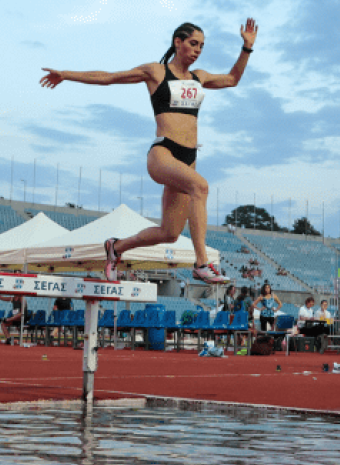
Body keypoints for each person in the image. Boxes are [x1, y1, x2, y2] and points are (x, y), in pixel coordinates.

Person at [41, 18, 259, 284]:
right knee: (200, 187)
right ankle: (202, 263)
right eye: (193, 43)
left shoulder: (198, 77)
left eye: (201, 46)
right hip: (163, 153)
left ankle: (116, 247)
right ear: (177, 42)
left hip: (188, 159)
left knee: (169, 233)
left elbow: (233, 79)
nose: (198, 50)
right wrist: (66, 74)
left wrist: (246, 48)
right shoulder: (156, 72)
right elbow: (109, 77)